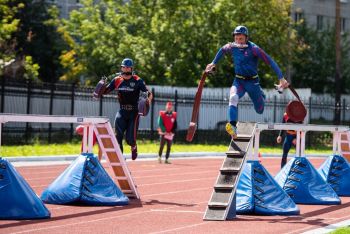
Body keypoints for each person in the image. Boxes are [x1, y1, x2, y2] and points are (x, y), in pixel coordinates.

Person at [205, 25, 289, 139]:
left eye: (241, 39)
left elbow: (270, 61)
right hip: (238, 81)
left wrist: (281, 78)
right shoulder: (231, 46)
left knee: (259, 110)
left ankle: (261, 94)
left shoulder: (254, 49)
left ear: (246, 38)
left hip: (252, 82)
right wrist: (213, 63)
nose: (238, 41)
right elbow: (222, 50)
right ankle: (233, 127)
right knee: (233, 97)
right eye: (236, 38)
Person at [101, 58, 153, 160]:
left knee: (130, 139)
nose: (125, 69)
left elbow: (149, 93)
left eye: (128, 67)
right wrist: (101, 86)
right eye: (124, 67)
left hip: (134, 112)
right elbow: (105, 91)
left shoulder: (138, 80)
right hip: (122, 111)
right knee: (118, 136)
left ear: (131, 68)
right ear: (121, 67)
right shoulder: (117, 80)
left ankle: (133, 146)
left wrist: (147, 101)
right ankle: (120, 157)